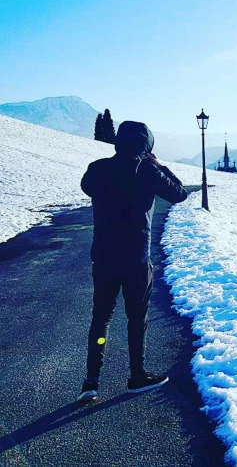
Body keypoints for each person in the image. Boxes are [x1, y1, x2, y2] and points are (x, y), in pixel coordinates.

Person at [77, 121, 188, 403]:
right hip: (135, 259)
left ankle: (91, 382)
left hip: (103, 257)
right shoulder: (147, 169)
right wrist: (158, 164)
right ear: (146, 144)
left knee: (101, 318)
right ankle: (136, 375)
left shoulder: (97, 168)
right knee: (136, 319)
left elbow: (86, 187)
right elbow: (179, 193)